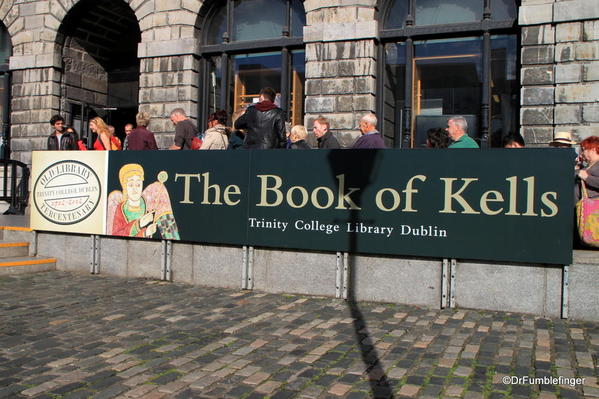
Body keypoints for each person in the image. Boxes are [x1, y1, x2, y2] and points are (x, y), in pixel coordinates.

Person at [576, 136, 599, 201]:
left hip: (594, 208)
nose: (582, 153)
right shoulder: (589, 165)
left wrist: (587, 178)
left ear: (593, 149)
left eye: (584, 149)